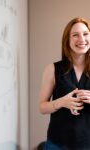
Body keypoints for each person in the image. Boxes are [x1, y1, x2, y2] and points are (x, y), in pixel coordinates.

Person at [39, 17, 90, 150]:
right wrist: (61, 102)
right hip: (57, 144)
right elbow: (42, 107)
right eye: (75, 35)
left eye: (85, 34)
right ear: (67, 40)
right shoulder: (52, 69)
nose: (82, 39)